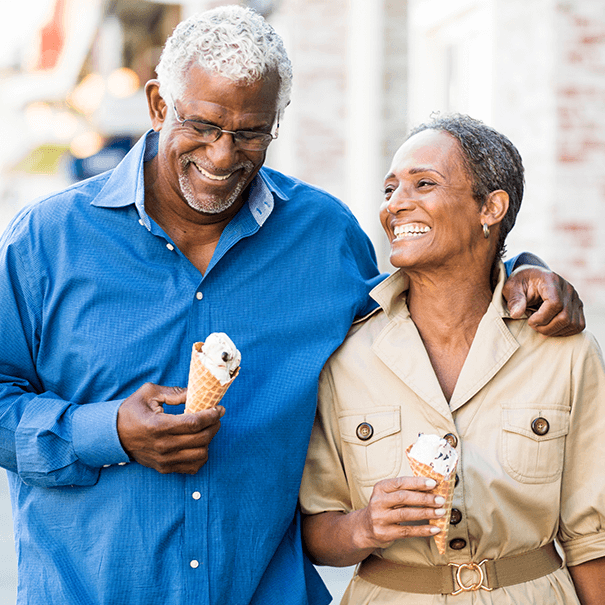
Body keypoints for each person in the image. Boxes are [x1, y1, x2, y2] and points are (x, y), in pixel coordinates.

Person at [0, 6, 584, 605]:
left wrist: (516, 268)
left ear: (275, 122)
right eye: (201, 125)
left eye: (250, 133)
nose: (224, 156)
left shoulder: (322, 235)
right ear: (156, 105)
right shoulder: (50, 241)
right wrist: (107, 430)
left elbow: (417, 305)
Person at [299, 114, 605, 604]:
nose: (397, 204)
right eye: (390, 189)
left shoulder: (565, 352)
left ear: (491, 207)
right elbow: (315, 530)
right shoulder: (346, 355)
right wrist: (365, 526)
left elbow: (592, 540)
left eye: (424, 184)